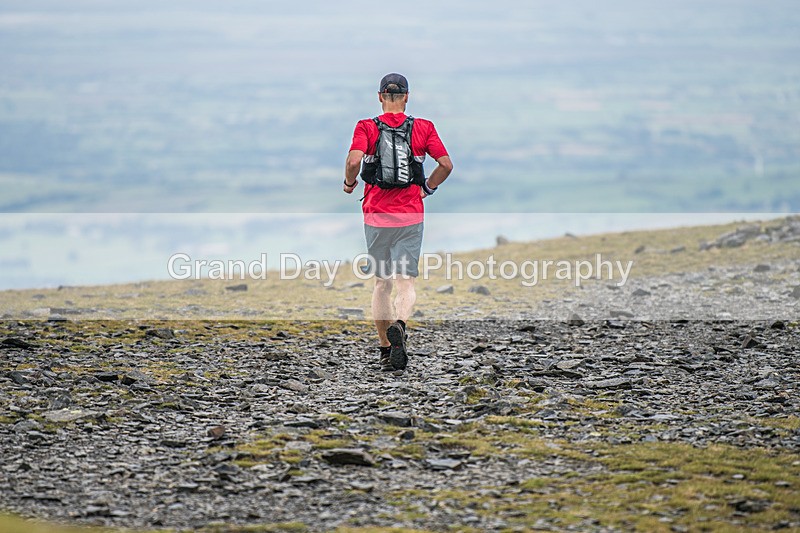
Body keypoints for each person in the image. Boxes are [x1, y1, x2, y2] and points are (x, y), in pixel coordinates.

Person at [344, 73, 453, 372]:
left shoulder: (366, 127)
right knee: (407, 283)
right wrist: (426, 187)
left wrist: (349, 183)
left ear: (380, 96)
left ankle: (384, 348)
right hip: (410, 214)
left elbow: (354, 162)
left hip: (376, 215)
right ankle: (401, 325)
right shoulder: (424, 127)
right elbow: (446, 165)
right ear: (407, 96)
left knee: (382, 284)